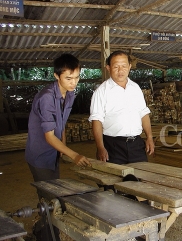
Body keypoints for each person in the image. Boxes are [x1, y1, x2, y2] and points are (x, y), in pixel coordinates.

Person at [25, 53, 91, 183]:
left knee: (55, 187)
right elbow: (49, 136)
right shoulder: (46, 98)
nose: (74, 82)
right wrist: (74, 155)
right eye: (68, 78)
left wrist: (63, 147)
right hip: (40, 154)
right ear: (56, 76)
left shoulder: (70, 94)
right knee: (48, 194)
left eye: (77, 77)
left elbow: (62, 123)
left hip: (54, 152)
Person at [89, 50, 155, 165]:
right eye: (116, 67)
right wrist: (100, 147)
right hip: (113, 146)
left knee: (139, 179)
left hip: (136, 145)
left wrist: (149, 137)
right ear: (108, 68)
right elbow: (97, 121)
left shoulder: (135, 88)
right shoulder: (101, 92)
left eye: (124, 66)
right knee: (113, 180)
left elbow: (143, 114)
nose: (120, 71)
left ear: (129, 67)